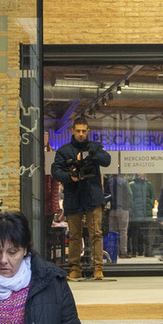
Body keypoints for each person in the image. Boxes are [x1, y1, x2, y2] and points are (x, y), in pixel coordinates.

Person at [51, 114, 112, 281]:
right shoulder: (64, 151)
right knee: (75, 235)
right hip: (73, 195)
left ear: (88, 131)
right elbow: (55, 171)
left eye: (84, 131)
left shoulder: (95, 147)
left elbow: (107, 160)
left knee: (96, 233)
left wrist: (93, 154)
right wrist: (71, 176)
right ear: (72, 131)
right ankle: (75, 268)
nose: (81, 134)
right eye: (78, 131)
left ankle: (98, 268)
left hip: (93, 196)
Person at [127, 173, 156, 258]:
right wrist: (133, 208)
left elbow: (153, 196)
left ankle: (147, 251)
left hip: (146, 213)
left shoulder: (148, 184)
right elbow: (130, 198)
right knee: (135, 235)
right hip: (136, 214)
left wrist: (150, 204)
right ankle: (134, 252)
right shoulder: (131, 185)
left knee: (146, 234)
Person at [106, 171, 131, 257]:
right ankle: (123, 252)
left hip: (112, 209)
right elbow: (129, 194)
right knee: (123, 231)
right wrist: (128, 206)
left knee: (112, 231)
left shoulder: (109, 181)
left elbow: (106, 195)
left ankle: (112, 251)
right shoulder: (124, 182)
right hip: (123, 209)